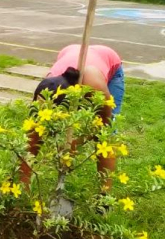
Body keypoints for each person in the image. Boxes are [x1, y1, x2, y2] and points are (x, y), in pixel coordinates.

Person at [21, 44, 125, 190]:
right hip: (69, 52)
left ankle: (104, 196)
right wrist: (21, 188)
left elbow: (105, 124)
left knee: (105, 139)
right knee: (36, 132)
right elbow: (32, 140)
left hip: (107, 61)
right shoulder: (46, 89)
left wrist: (76, 143)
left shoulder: (94, 86)